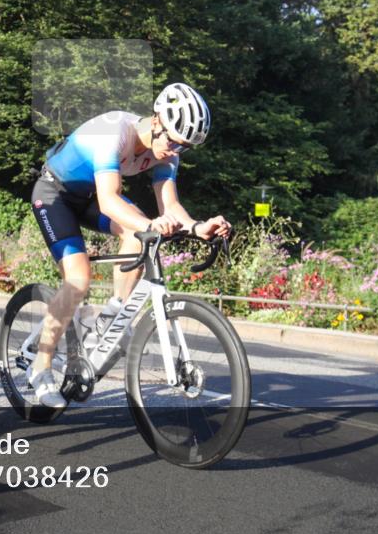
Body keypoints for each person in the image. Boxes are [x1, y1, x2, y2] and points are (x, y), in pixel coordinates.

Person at [28, 83, 232, 407]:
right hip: (54, 194)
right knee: (78, 279)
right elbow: (110, 201)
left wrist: (197, 227)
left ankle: (112, 317)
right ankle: (40, 368)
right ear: (156, 120)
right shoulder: (114, 132)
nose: (175, 152)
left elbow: (170, 207)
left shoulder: (167, 151)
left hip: (89, 197)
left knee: (139, 232)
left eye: (184, 148)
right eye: (173, 142)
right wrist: (150, 225)